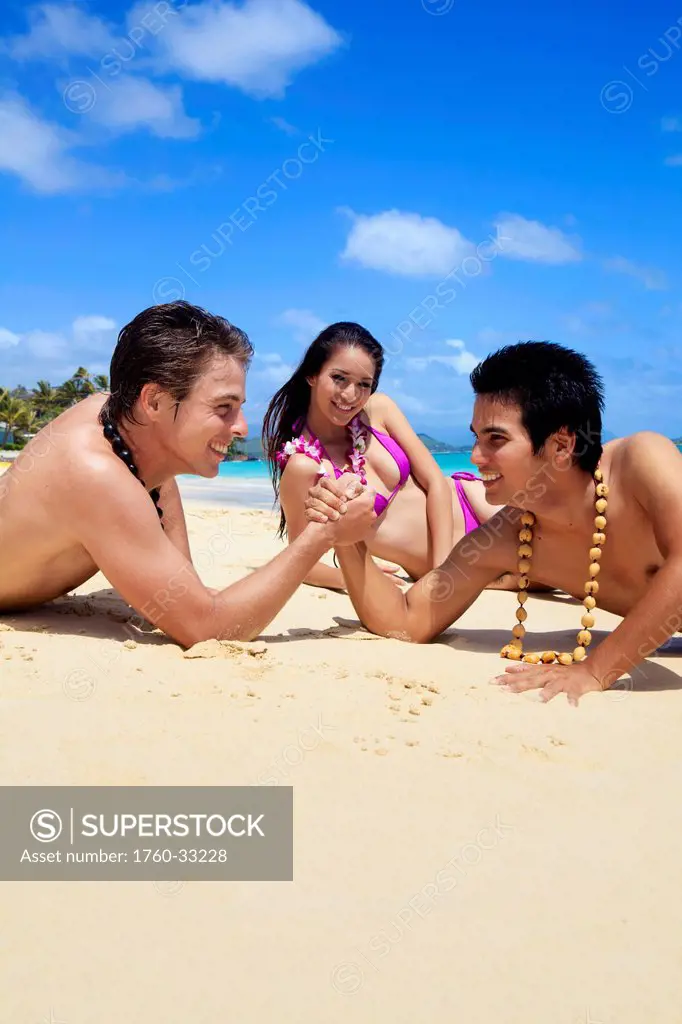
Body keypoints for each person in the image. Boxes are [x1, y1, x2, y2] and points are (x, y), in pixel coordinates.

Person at [302, 340, 682, 705]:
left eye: (495, 439)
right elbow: (408, 621)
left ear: (562, 446)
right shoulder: (507, 535)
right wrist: (346, 538)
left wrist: (596, 671)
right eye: (476, 437)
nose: (475, 457)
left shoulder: (641, 463)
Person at [0, 302, 376, 647]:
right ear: (154, 401)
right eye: (223, 407)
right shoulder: (96, 473)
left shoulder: (127, 435)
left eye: (239, 407)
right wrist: (323, 534)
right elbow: (207, 629)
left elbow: (179, 591)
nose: (242, 427)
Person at [261, 320, 514, 592]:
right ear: (312, 375)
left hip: (473, 506)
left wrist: (442, 571)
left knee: (561, 558)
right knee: (539, 579)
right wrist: (352, 577)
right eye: (339, 378)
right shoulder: (303, 467)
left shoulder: (378, 410)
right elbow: (300, 560)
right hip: (446, 564)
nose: (350, 394)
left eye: (364, 384)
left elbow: (435, 482)